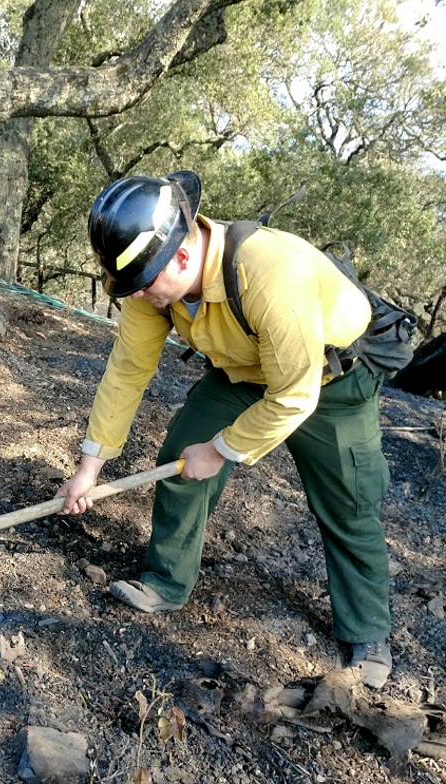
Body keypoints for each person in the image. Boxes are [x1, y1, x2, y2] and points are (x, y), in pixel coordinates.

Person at [56, 171, 393, 687]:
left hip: (330, 380)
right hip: (245, 369)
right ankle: (166, 583)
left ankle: (367, 631)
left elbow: (294, 395)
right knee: (178, 461)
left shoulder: (271, 274)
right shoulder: (150, 284)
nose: (140, 297)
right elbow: (126, 372)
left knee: (349, 502)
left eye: (144, 287)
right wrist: (89, 467)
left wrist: (221, 448)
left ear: (183, 257)